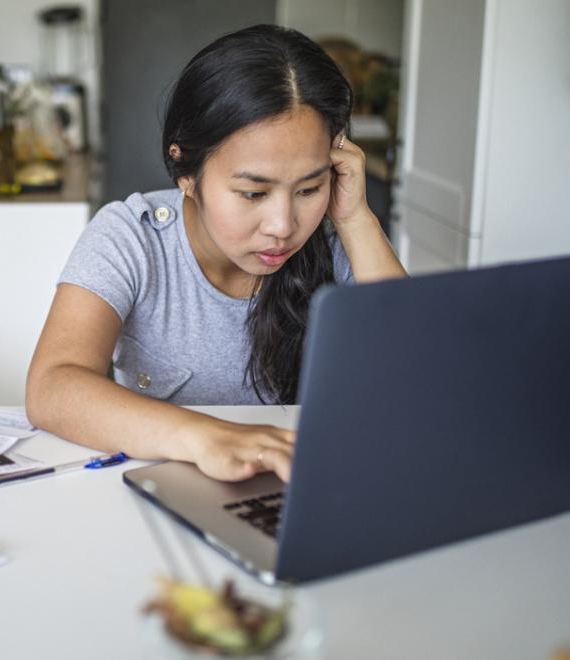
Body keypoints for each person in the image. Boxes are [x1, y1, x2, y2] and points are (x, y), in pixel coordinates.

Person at [25, 25, 406, 483]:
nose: (283, 226)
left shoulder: (336, 241)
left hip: (314, 487)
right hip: (167, 490)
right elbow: (53, 386)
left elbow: (417, 375)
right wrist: (207, 437)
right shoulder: (133, 237)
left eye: (309, 187)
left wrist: (355, 218)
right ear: (185, 171)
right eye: (252, 193)